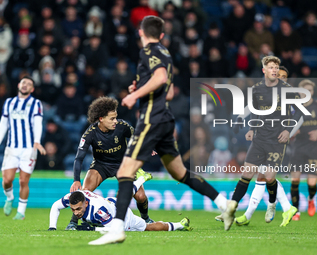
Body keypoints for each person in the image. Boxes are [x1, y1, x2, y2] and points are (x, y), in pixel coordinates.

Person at [89, 16, 230, 245]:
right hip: (165, 119)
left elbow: (161, 78)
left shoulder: (148, 51)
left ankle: (116, 229)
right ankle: (225, 203)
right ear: (162, 34)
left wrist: (134, 95)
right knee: (180, 173)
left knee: (125, 172)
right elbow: (170, 91)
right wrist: (142, 88)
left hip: (152, 120)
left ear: (141, 33)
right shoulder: (165, 53)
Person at [223, 56, 304, 231]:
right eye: (272, 67)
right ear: (264, 71)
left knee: (268, 177)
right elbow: (254, 110)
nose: (275, 70)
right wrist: (251, 128)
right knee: (247, 175)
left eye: (277, 67)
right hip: (259, 139)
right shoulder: (257, 90)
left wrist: (288, 131)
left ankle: (276, 205)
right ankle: (231, 209)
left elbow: (300, 113)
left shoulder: (287, 90)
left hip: (277, 140)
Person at [66, 96, 154, 230]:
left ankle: (146, 218)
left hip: (123, 164)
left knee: (141, 196)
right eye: (112, 118)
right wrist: (76, 180)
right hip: (101, 165)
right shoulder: (90, 133)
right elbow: (79, 158)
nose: (115, 121)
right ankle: (73, 222)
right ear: (101, 119)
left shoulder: (122, 126)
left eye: (116, 117)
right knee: (85, 191)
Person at [0, 76, 46, 220]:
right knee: (7, 180)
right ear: (19, 85)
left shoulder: (36, 103)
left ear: (32, 89)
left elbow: (38, 123)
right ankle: (9, 197)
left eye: (29, 84)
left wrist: (37, 141)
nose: (25, 85)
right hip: (12, 147)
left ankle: (21, 212)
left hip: (29, 149)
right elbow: (3, 124)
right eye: (23, 82)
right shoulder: (9, 102)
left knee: (23, 181)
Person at [48, 190, 192, 232]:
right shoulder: (71, 197)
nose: (76, 213)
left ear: (86, 203)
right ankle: (136, 183)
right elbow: (55, 206)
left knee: (148, 228)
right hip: (111, 203)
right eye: (73, 210)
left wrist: (92, 230)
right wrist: (52, 227)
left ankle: (179, 225)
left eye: (79, 209)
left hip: (122, 218)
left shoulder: (98, 210)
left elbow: (116, 229)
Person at [290, 80, 317, 221]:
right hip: (299, 146)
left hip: (314, 146)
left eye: (311, 91)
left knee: (311, 183)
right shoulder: (294, 107)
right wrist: (293, 131)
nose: (309, 93)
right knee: (295, 180)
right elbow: (288, 126)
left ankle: (311, 199)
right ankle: (295, 210)